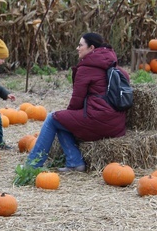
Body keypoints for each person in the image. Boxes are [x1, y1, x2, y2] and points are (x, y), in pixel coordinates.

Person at [26, 32, 128, 172]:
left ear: (91, 48)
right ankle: (74, 162)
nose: (77, 48)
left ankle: (32, 165)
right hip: (117, 126)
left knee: (53, 118)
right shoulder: (116, 67)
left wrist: (68, 114)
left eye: (80, 45)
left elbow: (76, 102)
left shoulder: (86, 68)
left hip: (98, 122)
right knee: (62, 120)